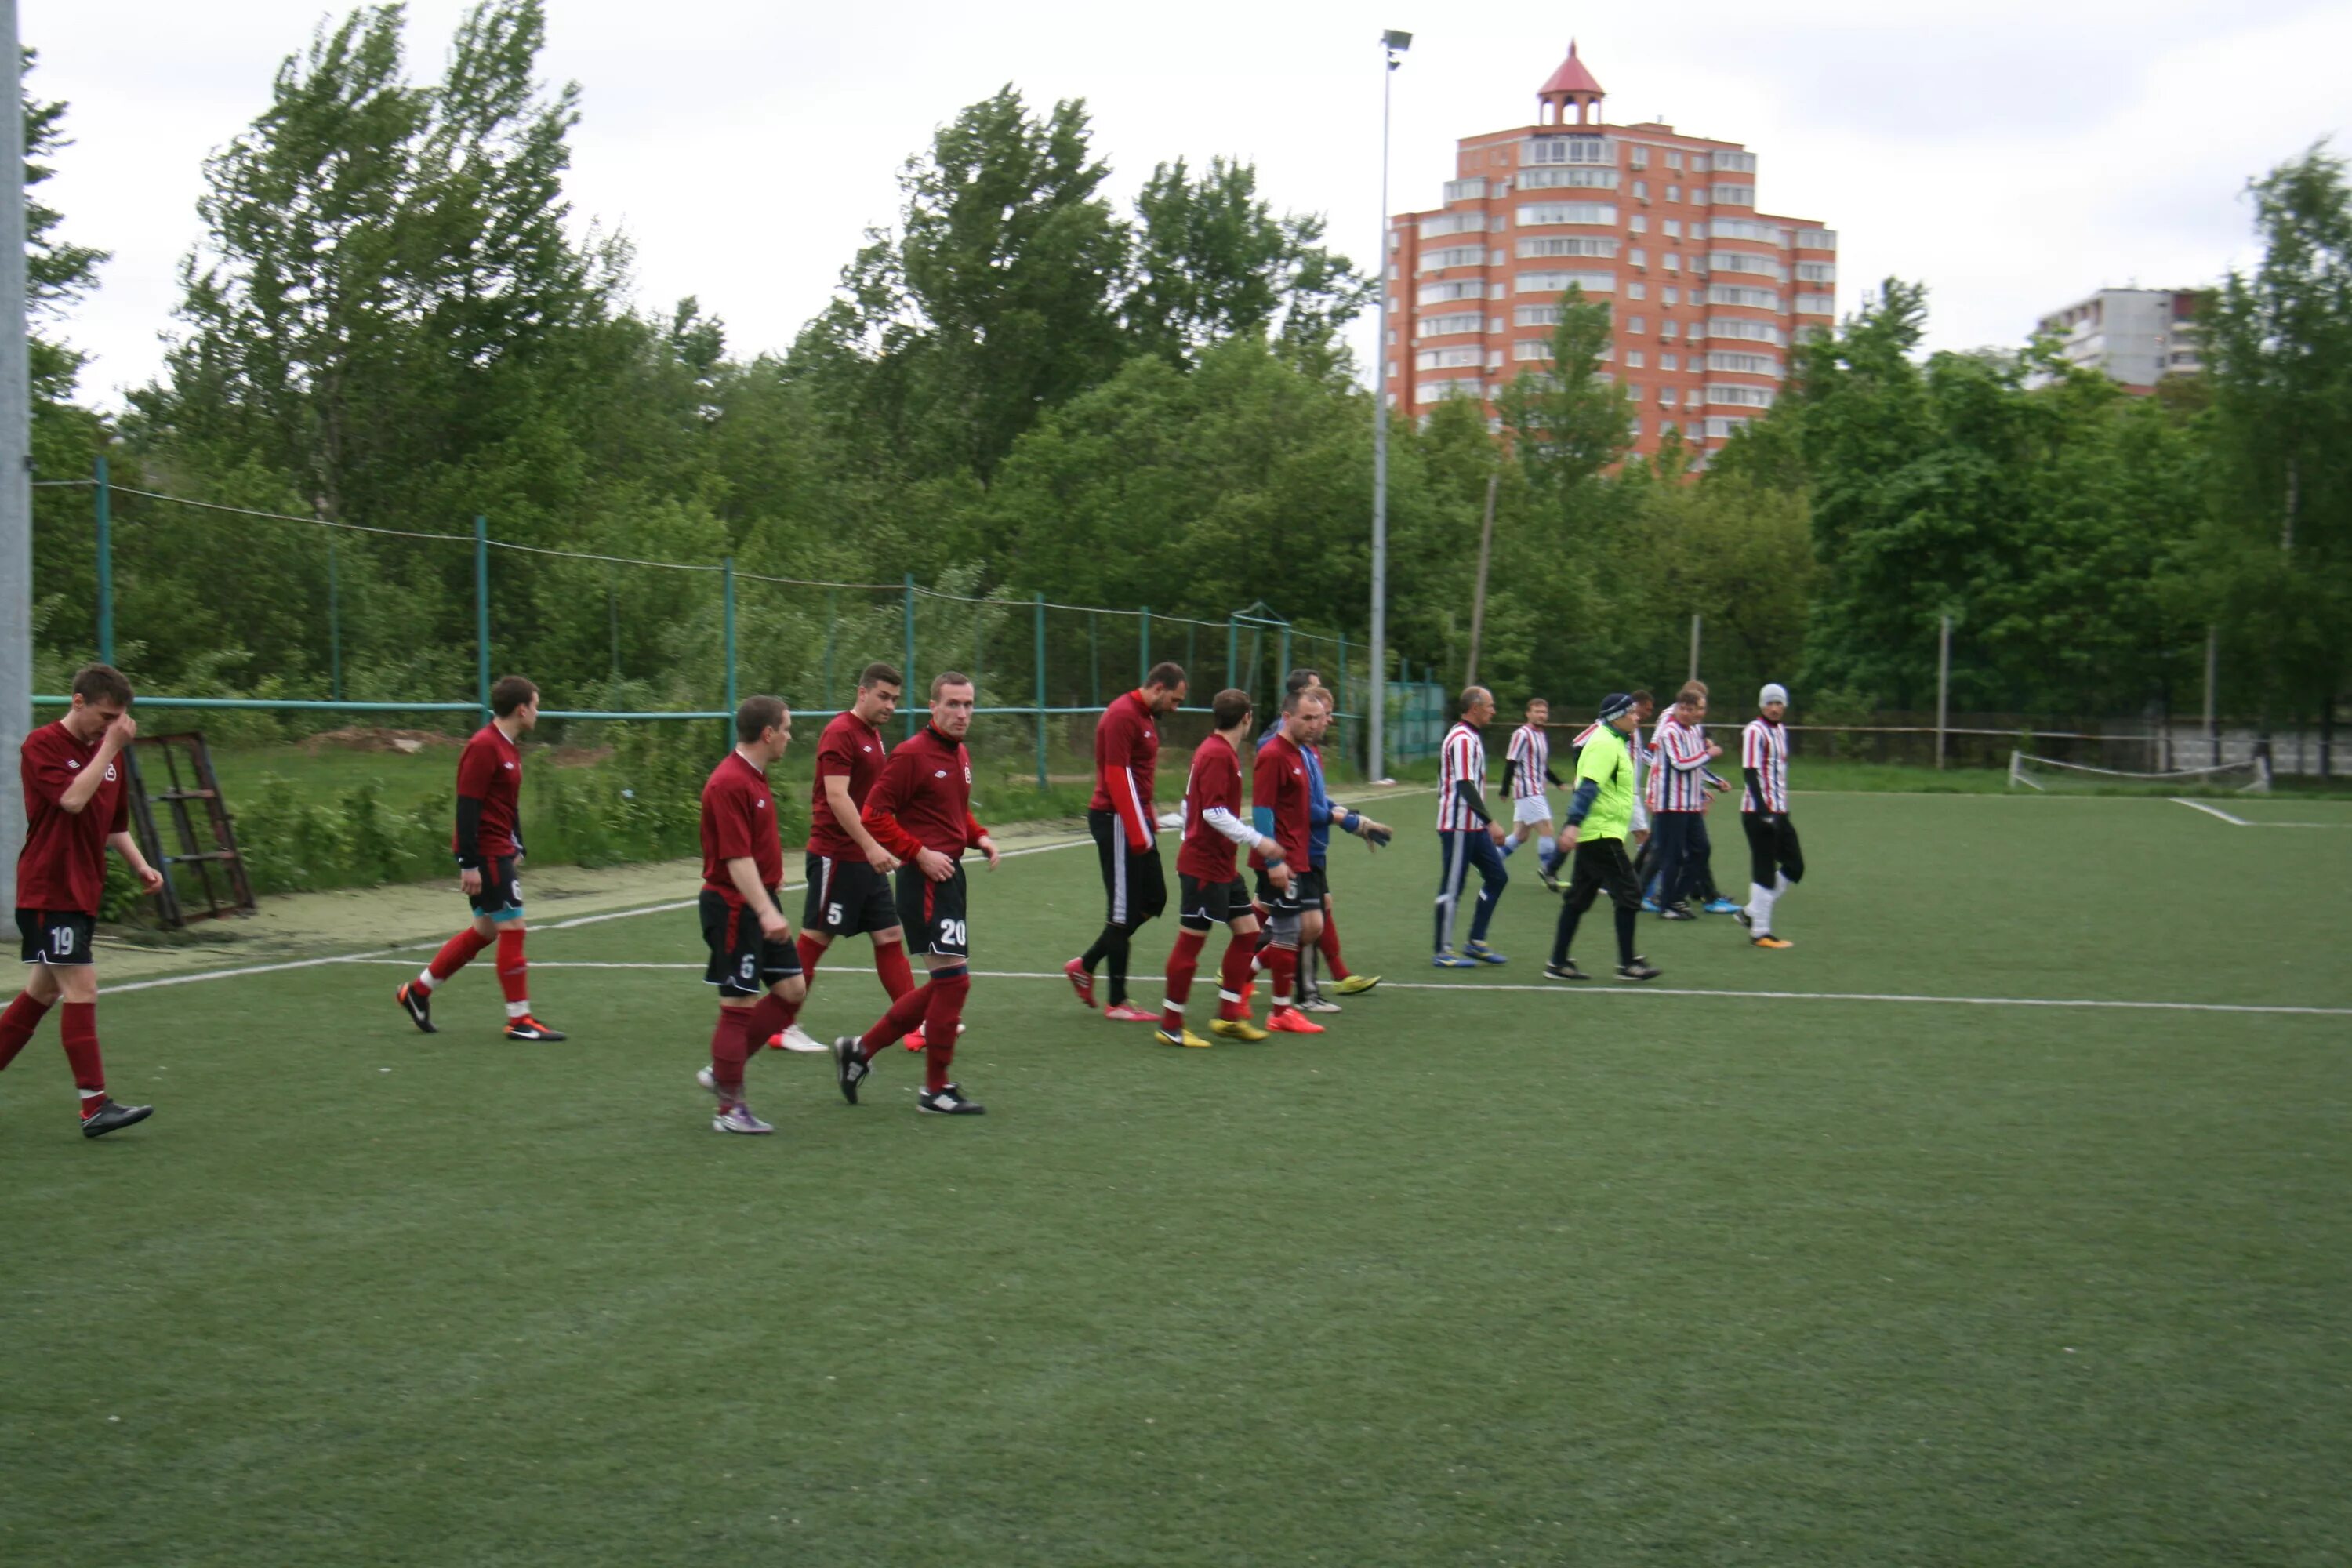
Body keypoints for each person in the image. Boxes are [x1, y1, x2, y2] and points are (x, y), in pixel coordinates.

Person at [2, 662, 164, 1137]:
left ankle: (94, 1106)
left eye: (121, 719)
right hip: (51, 887)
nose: (114, 727)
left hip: (81, 888)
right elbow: (72, 800)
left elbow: (113, 824)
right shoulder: (42, 745)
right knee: (82, 990)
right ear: (78, 702)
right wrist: (111, 748)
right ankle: (95, 1106)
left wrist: (140, 864)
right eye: (107, 716)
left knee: (42, 993)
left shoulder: (107, 753)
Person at [833, 673, 1000, 1116]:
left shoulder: (959, 753)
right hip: (924, 880)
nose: (962, 713)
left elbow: (954, 812)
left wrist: (979, 837)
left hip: (949, 877)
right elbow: (874, 814)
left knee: (947, 984)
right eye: (953, 704)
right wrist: (918, 854)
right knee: (954, 982)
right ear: (933, 707)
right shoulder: (911, 755)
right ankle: (934, 1090)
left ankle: (860, 1051)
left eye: (968, 705)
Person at [396, 673, 564, 1040]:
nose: (538, 712)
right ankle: (519, 1020)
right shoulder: (484, 746)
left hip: (499, 850)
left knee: (486, 930)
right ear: (522, 709)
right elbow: (467, 807)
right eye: (536, 705)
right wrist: (468, 863)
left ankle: (418, 992)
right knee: (513, 928)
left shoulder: (508, 747)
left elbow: (505, 804)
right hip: (485, 853)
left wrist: (517, 842)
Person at [770, 662, 927, 1055]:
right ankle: (780, 1024)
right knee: (817, 936)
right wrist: (872, 846)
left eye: (895, 698)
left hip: (863, 856)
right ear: (862, 693)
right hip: (837, 855)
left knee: (889, 936)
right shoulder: (841, 732)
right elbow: (837, 797)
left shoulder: (872, 735)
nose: (890, 704)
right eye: (883, 696)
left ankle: (913, 1024)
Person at [693, 696, 814, 1134]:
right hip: (734, 908)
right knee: (738, 1003)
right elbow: (735, 857)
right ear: (767, 733)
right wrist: (764, 909)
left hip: (757, 902)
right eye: (786, 728)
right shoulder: (729, 783)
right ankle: (729, 1110)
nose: (789, 736)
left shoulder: (754, 777)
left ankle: (724, 1068)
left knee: (792, 989)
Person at [1257, 671, 1389, 1013]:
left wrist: (1355, 822)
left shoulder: (1306, 752)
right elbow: (1268, 809)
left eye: (1324, 716)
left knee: (1305, 923)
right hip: (1289, 854)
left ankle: (1289, 993)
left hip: (1306, 851)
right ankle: (1266, 988)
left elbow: (1317, 801)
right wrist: (1273, 858)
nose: (1323, 722)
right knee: (1292, 926)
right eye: (1315, 716)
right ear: (1293, 712)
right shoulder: (1276, 751)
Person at [1160, 688, 1286, 1047]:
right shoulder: (1217, 754)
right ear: (1247, 717)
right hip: (1203, 867)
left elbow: (1191, 807)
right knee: (1191, 943)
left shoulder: (1216, 751)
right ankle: (1171, 1024)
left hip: (1221, 866)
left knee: (1248, 933)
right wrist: (1257, 839)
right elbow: (1212, 812)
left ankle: (1229, 1015)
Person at [1068, 662, 1187, 1023]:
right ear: (1160, 687)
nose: (1176, 708)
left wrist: (1149, 822)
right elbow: (1117, 777)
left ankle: (1085, 965)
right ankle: (1116, 1001)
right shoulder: (1122, 715)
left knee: (1155, 899)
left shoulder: (1146, 717)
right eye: (1175, 700)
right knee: (1121, 912)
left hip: (1135, 821)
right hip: (1116, 820)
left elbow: (1138, 780)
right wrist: (1137, 832)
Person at [1546, 692, 1661, 983]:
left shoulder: (1615, 742)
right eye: (1632, 712)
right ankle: (1627, 964)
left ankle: (1557, 961)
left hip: (1599, 832)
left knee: (1578, 899)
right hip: (1600, 834)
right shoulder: (1604, 744)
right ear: (1617, 716)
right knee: (1630, 893)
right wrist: (1573, 824)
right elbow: (1587, 787)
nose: (1637, 717)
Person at [1250, 688, 1329, 1034]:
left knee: (1291, 931)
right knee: (1287, 931)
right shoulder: (1273, 754)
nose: (1314, 725)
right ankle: (1279, 1010)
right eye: (1307, 718)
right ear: (1287, 717)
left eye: (1317, 718)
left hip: (1296, 856)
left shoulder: (1299, 752)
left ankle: (1247, 989)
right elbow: (1261, 809)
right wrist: (1273, 860)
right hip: (1280, 859)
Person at [1432, 686, 1508, 967]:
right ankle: (1443, 950)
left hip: (1472, 827)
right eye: (1490, 705)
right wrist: (1491, 822)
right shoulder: (1462, 738)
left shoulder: (1471, 737)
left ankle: (1476, 941)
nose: (1493, 710)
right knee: (1452, 887)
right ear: (1475, 707)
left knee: (1497, 876)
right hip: (1458, 827)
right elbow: (1464, 784)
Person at [1645, 681, 1726, 922]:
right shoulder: (1670, 732)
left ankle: (1676, 897)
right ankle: (1667, 905)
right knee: (1673, 856)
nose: (1694, 713)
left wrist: (1714, 782)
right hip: (1671, 805)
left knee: (1702, 850)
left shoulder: (1695, 731)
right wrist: (1707, 754)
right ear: (1679, 708)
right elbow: (1681, 764)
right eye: (1688, 709)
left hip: (1690, 805)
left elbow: (1696, 766)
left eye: (1698, 709)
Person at [1737, 683, 1804, 949]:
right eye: (1770, 703)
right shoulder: (1755, 731)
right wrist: (1764, 812)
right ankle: (1760, 933)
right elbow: (1750, 772)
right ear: (1762, 705)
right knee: (1764, 869)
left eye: (1779, 703)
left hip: (1779, 810)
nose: (1775, 708)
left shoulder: (1780, 731)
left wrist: (1779, 810)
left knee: (1795, 866)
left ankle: (1751, 912)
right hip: (1758, 811)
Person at [1500, 696, 1565, 891]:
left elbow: (1541, 766)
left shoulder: (1541, 735)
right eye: (1537, 711)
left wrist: (1557, 782)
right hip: (1528, 791)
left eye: (1544, 712)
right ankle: (1548, 872)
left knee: (1521, 835)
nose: (1541, 715)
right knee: (1547, 829)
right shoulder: (1522, 734)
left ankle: (1491, 861)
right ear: (1528, 713)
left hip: (1536, 790)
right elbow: (1511, 762)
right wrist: (1504, 788)